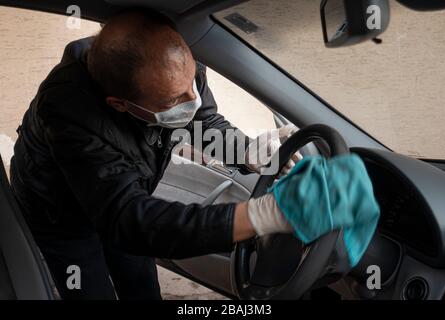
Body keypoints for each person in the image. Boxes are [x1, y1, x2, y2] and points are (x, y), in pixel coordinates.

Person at [10, 8, 299, 300]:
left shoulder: (171, 65)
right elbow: (126, 218)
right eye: (173, 100)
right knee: (88, 288)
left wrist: (246, 150)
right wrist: (259, 217)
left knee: (141, 282)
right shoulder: (67, 110)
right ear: (120, 104)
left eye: (192, 83)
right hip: (61, 214)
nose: (192, 100)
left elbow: (202, 121)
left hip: (125, 191)